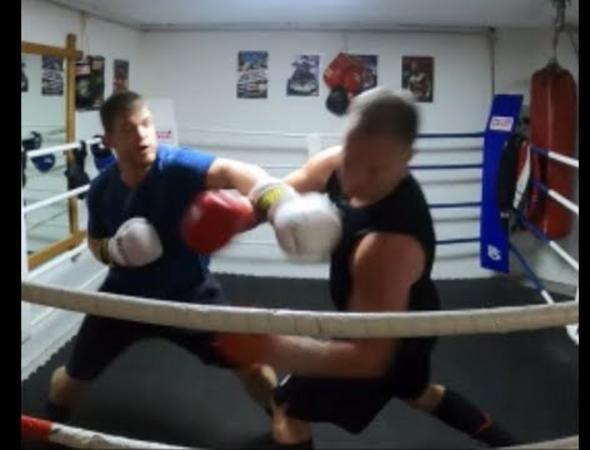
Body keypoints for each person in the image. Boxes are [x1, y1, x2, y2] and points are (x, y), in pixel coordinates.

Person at [214, 88, 521, 449]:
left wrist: (271, 346)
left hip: (391, 338)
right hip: (412, 314)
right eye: (352, 157)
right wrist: (231, 219)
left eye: (374, 169)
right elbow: (279, 196)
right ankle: (506, 441)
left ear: (407, 159)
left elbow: (367, 360)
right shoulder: (335, 164)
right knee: (416, 392)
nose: (355, 179)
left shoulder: (390, 243)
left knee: (287, 406)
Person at [46, 90, 342, 422]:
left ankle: (283, 422)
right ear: (109, 140)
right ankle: (50, 428)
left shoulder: (175, 166)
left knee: (253, 368)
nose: (142, 135)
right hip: (124, 297)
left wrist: (280, 204)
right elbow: (94, 241)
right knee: (68, 383)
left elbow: (235, 171)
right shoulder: (102, 189)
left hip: (189, 292)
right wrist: (115, 251)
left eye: (146, 124)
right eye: (128, 129)